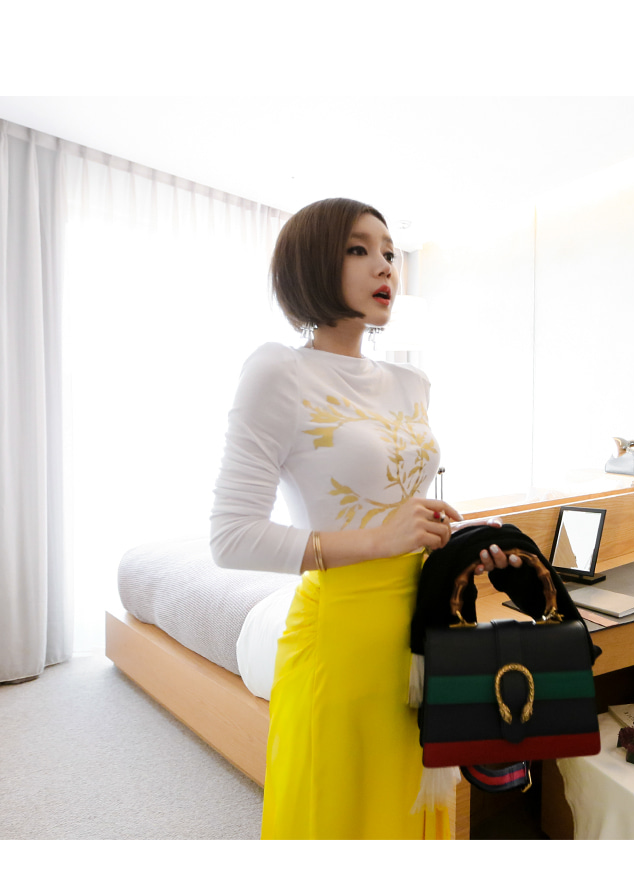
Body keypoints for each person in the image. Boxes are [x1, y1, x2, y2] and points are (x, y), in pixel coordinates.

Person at [210, 197, 517, 840]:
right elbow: (231, 537)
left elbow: (400, 504)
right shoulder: (278, 370)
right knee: (344, 816)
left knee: (411, 812)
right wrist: (381, 539)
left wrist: (455, 548)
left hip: (425, 627)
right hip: (342, 635)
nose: (385, 267)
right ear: (311, 264)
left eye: (388, 252)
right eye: (358, 249)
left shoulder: (411, 382)